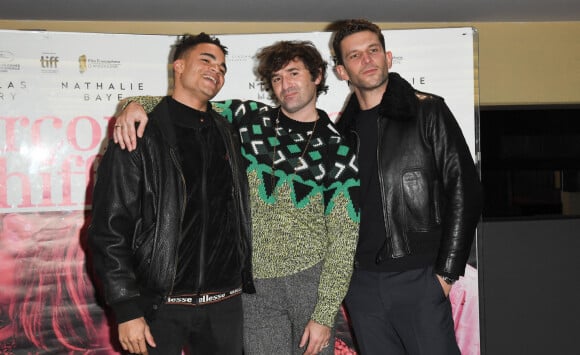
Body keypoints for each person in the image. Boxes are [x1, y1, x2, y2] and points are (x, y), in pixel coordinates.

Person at [113, 40, 360, 355]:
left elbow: (344, 238)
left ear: (317, 76)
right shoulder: (249, 118)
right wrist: (133, 103)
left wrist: (325, 313)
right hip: (251, 286)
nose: (286, 85)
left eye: (294, 74)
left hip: (309, 283)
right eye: (277, 78)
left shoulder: (339, 149)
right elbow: (184, 103)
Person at [88, 33, 255, 355]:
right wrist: (126, 308)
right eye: (206, 60)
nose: (216, 71)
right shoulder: (140, 132)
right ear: (178, 65)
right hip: (159, 306)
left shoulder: (228, 133)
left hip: (225, 305)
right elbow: (109, 228)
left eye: (222, 67)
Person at [330, 19, 483, 355]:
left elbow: (465, 190)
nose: (367, 60)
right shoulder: (341, 134)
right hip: (361, 286)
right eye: (355, 56)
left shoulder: (427, 111)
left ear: (388, 57)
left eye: (373, 50)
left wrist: (445, 274)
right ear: (342, 72)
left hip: (419, 278)